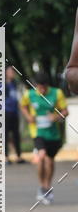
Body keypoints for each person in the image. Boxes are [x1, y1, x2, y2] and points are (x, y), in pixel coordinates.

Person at [20, 72, 68, 204]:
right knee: (41, 156)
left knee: (49, 161)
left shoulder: (57, 93)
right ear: (36, 86)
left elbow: (65, 111)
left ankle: (47, 186)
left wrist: (56, 117)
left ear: (47, 86)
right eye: (39, 88)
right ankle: (42, 187)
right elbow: (22, 105)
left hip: (53, 134)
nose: (41, 91)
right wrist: (28, 116)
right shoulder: (29, 94)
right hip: (38, 133)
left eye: (44, 88)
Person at [4, 66, 25, 164]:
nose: (12, 74)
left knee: (16, 135)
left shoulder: (15, 85)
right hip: (5, 113)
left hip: (15, 112)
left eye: (13, 72)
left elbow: (19, 99)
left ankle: (18, 156)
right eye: (10, 72)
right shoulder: (2, 85)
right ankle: (6, 157)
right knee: (5, 135)